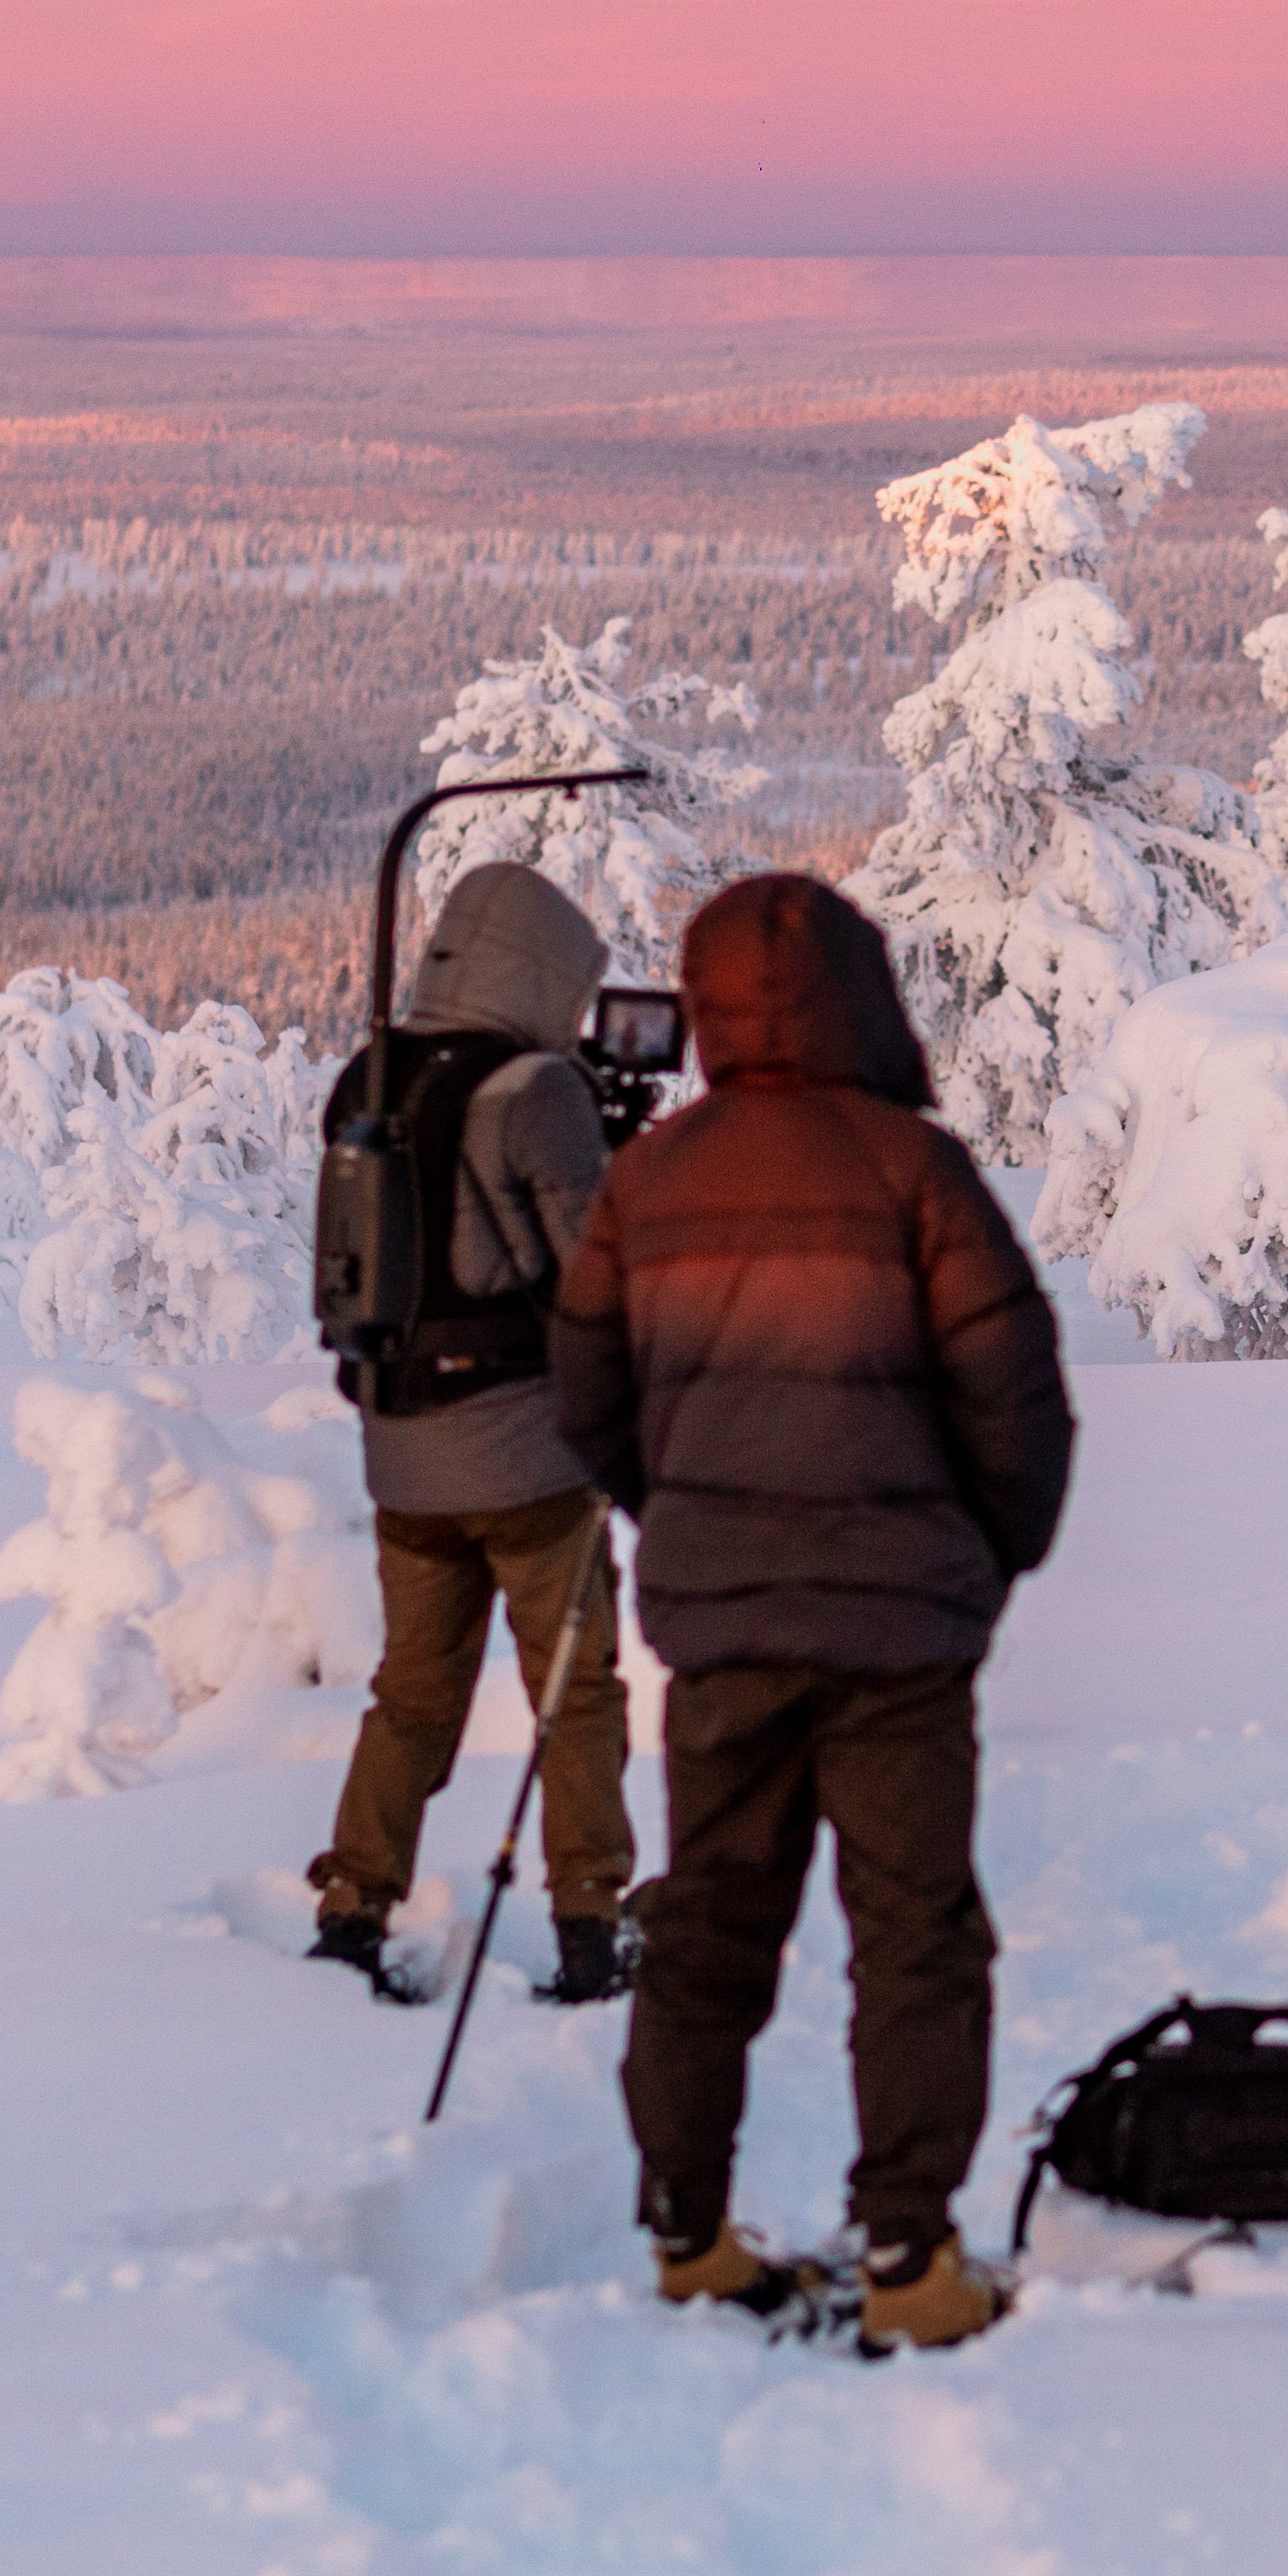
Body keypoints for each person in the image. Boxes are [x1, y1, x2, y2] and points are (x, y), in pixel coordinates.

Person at [555, 872, 1075, 2353]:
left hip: (727, 1628)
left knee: (712, 1924)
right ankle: (912, 2258)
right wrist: (986, 1559)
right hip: (903, 1635)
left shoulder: (648, 1183)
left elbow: (588, 1405)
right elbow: (1016, 1398)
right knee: (912, 1937)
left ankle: (688, 2234)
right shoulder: (914, 1171)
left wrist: (697, 1518)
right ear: (860, 994)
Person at [312, 861, 641, 2005]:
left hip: (404, 1453)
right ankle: (590, 1929)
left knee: (412, 1692)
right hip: (527, 1458)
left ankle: (354, 1906)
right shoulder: (533, 1092)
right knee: (577, 1693)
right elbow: (600, 1268)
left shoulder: (375, 1074)